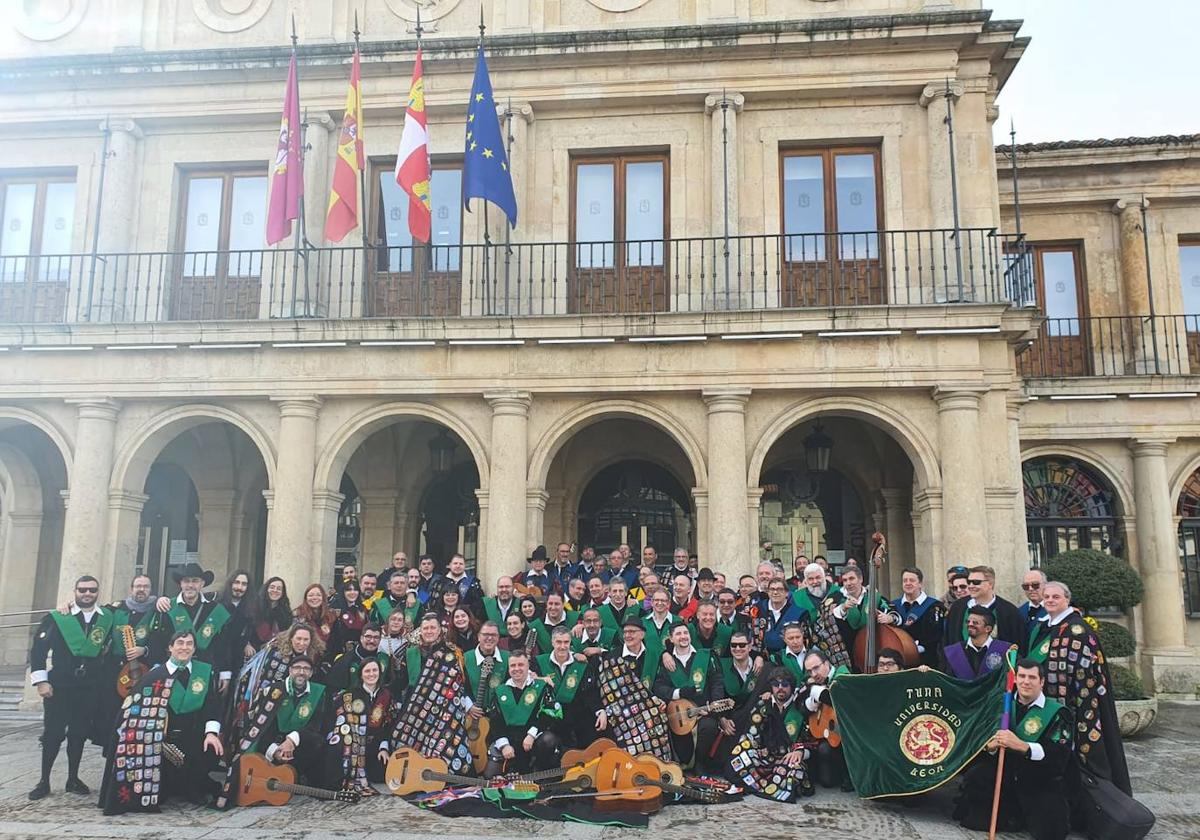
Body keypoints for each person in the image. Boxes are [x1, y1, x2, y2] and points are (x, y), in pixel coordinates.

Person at [100, 630, 225, 813]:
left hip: (194, 734)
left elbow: (212, 705)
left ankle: (193, 786)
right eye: (180, 643)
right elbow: (133, 712)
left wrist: (211, 733)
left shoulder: (204, 672)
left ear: (194, 648)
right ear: (170, 647)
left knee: (210, 750)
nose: (184, 647)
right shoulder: (154, 676)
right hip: (162, 739)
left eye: (189, 643)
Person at [1027, 581, 1131, 794]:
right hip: (1048, 701)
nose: (1050, 600)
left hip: (1076, 704)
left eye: (1055, 597)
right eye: (1046, 597)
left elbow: (1086, 674)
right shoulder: (1044, 626)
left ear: (1067, 599)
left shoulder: (1078, 629)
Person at [953, 659, 1073, 840]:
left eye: (1032, 677)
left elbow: (1059, 756)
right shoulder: (1002, 705)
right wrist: (990, 747)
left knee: (1052, 830)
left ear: (1041, 682)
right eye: (1022, 676)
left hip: (1038, 777)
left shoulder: (1058, 712)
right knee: (974, 805)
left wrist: (1023, 746)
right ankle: (1011, 816)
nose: (1026, 681)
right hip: (1004, 773)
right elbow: (977, 740)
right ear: (1015, 679)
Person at [28, 575, 114, 801]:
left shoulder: (106, 617)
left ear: (98, 592)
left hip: (88, 686)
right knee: (53, 734)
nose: (87, 594)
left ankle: (72, 778)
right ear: (75, 591)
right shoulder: (58, 617)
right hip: (61, 685)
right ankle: (44, 780)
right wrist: (40, 681)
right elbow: (38, 650)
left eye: (92, 590)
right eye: (83, 590)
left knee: (79, 733)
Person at [216, 653, 330, 807]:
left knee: (319, 742)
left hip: (300, 744)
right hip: (272, 746)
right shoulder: (274, 691)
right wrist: (275, 750)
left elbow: (317, 725)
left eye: (306, 669)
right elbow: (262, 726)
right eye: (297, 668)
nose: (301, 672)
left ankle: (300, 778)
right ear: (290, 670)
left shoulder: (319, 693)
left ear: (311, 673)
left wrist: (292, 740)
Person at [388, 614, 475, 776]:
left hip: (445, 711)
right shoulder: (410, 653)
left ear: (440, 630)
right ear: (420, 631)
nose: (429, 631)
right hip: (416, 710)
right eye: (425, 628)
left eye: (432, 627)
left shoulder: (452, 653)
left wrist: (468, 705)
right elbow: (401, 682)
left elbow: (462, 684)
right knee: (400, 736)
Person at [727, 666, 813, 801]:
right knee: (740, 753)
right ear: (771, 687)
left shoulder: (800, 707)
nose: (780, 688)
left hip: (787, 758)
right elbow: (751, 733)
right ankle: (761, 784)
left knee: (795, 771)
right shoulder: (763, 704)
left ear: (791, 686)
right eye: (775, 684)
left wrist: (800, 752)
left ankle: (766, 785)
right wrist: (755, 749)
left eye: (785, 684)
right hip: (764, 757)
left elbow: (810, 739)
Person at [595, 618, 673, 761]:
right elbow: (605, 689)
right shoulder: (613, 658)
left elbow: (661, 682)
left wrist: (660, 700)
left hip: (651, 709)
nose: (628, 635)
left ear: (642, 634)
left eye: (632, 632)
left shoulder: (653, 655)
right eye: (625, 632)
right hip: (622, 713)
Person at [653, 623, 728, 772]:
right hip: (679, 714)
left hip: (703, 711)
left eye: (685, 633)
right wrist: (679, 693)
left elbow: (716, 682)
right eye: (678, 634)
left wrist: (714, 705)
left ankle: (700, 764)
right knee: (680, 744)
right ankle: (683, 764)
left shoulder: (705, 656)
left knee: (709, 727)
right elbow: (658, 687)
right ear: (671, 639)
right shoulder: (666, 661)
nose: (683, 637)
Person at [150, 562, 233, 693]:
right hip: (172, 671)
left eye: (195, 581)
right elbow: (157, 640)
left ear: (202, 584)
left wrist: (224, 672)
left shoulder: (215, 610)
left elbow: (222, 644)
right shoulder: (167, 607)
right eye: (186, 581)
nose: (190, 585)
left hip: (205, 670)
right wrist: (156, 667)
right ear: (181, 584)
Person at [483, 650, 563, 776]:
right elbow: (495, 720)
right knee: (489, 777)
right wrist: (504, 745)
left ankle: (540, 775)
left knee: (549, 740)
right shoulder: (500, 691)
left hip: (534, 740)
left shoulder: (541, 686)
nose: (517, 669)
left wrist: (532, 734)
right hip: (509, 741)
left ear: (528, 666)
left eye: (521, 665)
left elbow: (551, 714)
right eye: (513, 665)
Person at [328, 657, 398, 791]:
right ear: (361, 674)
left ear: (380, 672)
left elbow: (389, 725)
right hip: (353, 745)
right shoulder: (349, 695)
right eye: (367, 671)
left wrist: (384, 748)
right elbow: (336, 720)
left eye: (374, 670)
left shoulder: (387, 695)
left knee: (382, 773)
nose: (371, 674)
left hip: (374, 745)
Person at [536, 625, 599, 749]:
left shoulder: (580, 663)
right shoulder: (539, 662)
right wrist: (541, 678)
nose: (563, 646)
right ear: (552, 642)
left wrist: (600, 711)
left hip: (577, 717)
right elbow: (528, 680)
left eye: (566, 642)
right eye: (559, 642)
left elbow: (590, 692)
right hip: (551, 720)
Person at [798, 648, 852, 791]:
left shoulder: (843, 674)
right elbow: (801, 708)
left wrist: (818, 692)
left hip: (847, 735)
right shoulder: (810, 681)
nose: (814, 674)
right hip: (826, 734)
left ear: (827, 663)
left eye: (816, 668)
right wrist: (812, 703)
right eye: (810, 671)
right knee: (826, 781)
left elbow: (840, 701)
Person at [944, 565, 1025, 654]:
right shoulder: (957, 608)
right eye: (969, 582)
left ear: (990, 584)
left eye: (976, 582)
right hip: (960, 664)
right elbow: (947, 641)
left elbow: (1018, 645)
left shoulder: (1009, 612)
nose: (970, 586)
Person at [892, 567, 945, 668]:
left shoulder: (934, 606)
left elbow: (936, 637)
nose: (908, 583)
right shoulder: (893, 606)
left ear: (920, 584)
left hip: (925, 662)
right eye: (905, 580)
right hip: (899, 662)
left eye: (912, 580)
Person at [941, 606, 1012, 680]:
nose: (970, 624)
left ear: (988, 629)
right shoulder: (953, 652)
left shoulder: (1006, 651)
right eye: (968, 621)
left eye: (975, 623)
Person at [326, 622, 390, 692]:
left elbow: (389, 684)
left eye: (376, 637)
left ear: (380, 639)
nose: (372, 641)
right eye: (368, 637)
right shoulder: (346, 661)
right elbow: (334, 688)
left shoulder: (384, 659)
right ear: (361, 638)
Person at [463, 622, 509, 715]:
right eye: (485, 634)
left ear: (498, 637)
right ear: (478, 637)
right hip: (472, 715)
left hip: (500, 715)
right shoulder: (465, 658)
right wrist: (468, 706)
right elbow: (458, 686)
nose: (490, 638)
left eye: (494, 635)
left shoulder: (508, 658)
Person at [243, 576, 292, 656]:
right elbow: (244, 628)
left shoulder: (286, 612)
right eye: (272, 587)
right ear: (266, 589)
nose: (275, 590)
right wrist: (246, 644)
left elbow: (286, 634)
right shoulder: (254, 606)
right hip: (252, 651)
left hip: (275, 653)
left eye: (279, 589)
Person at [719, 629, 763, 718]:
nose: (737, 649)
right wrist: (722, 719)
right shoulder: (721, 666)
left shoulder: (762, 667)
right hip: (732, 719)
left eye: (742, 645)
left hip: (757, 718)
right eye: (733, 645)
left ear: (750, 647)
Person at [760, 578, 806, 653]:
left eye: (780, 589)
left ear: (787, 593)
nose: (775, 592)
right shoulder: (758, 609)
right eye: (772, 589)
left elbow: (804, 640)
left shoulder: (799, 613)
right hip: (763, 658)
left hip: (789, 658)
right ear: (768, 592)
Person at [327, 579, 368, 660]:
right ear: (343, 592)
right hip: (337, 651)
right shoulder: (334, 608)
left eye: (355, 590)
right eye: (348, 590)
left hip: (358, 652)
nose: (352, 593)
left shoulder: (363, 609)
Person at [294, 583, 337, 648]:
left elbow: (335, 641)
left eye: (318, 595)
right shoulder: (298, 616)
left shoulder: (331, 616)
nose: (314, 598)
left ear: (323, 597)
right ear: (306, 598)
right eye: (311, 595)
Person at [642, 587, 680, 653]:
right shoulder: (642, 622)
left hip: (671, 662)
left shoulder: (678, 621)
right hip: (648, 662)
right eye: (656, 600)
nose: (659, 603)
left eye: (663, 600)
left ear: (668, 603)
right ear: (652, 602)